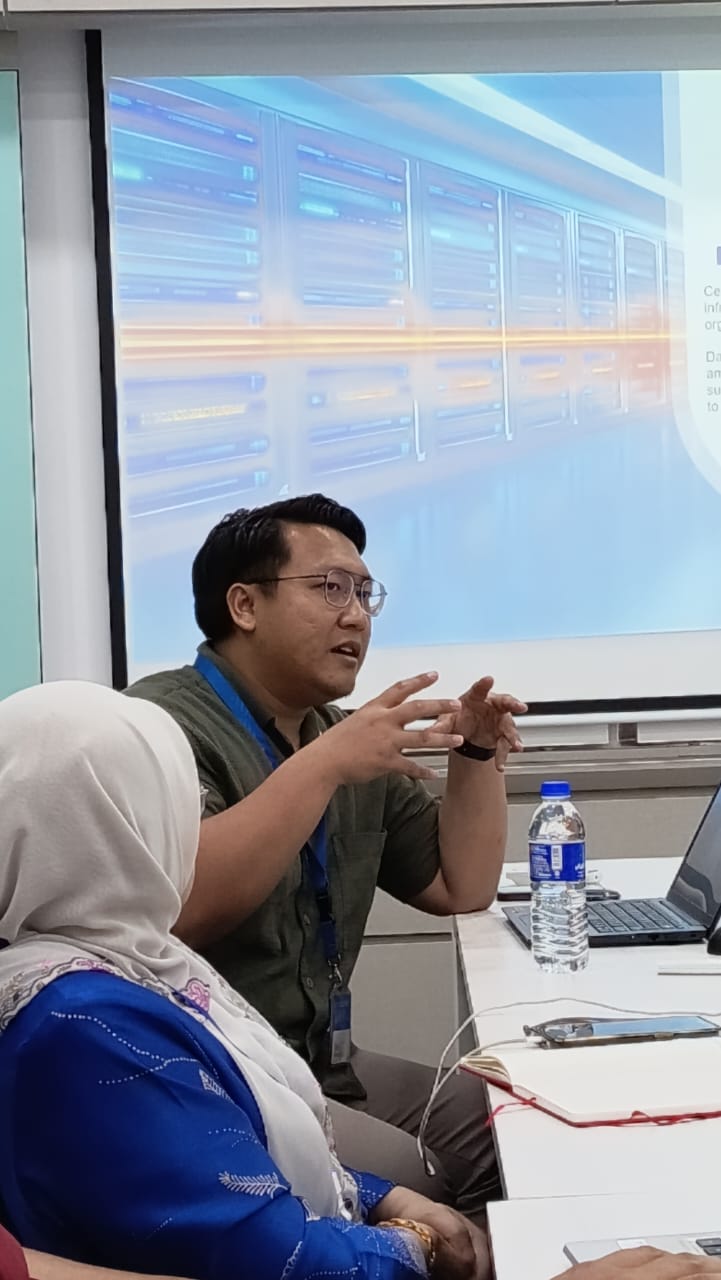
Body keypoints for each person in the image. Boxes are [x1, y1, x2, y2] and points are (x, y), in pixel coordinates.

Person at [0, 681, 491, 1280]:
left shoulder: (130, 957)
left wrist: (377, 1197)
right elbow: (270, 1256)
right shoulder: (86, 1024)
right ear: (131, 826)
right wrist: (421, 1245)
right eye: (178, 804)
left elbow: (211, 1157)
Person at [126, 493, 527, 1221]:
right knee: (424, 1185)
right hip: (215, 1075)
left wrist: (473, 753)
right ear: (244, 605)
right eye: (331, 588)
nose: (357, 617)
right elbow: (186, 906)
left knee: (512, 1122)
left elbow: (459, 885)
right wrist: (325, 766)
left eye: (365, 594)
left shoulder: (334, 733)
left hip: (321, 1061)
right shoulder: (155, 728)